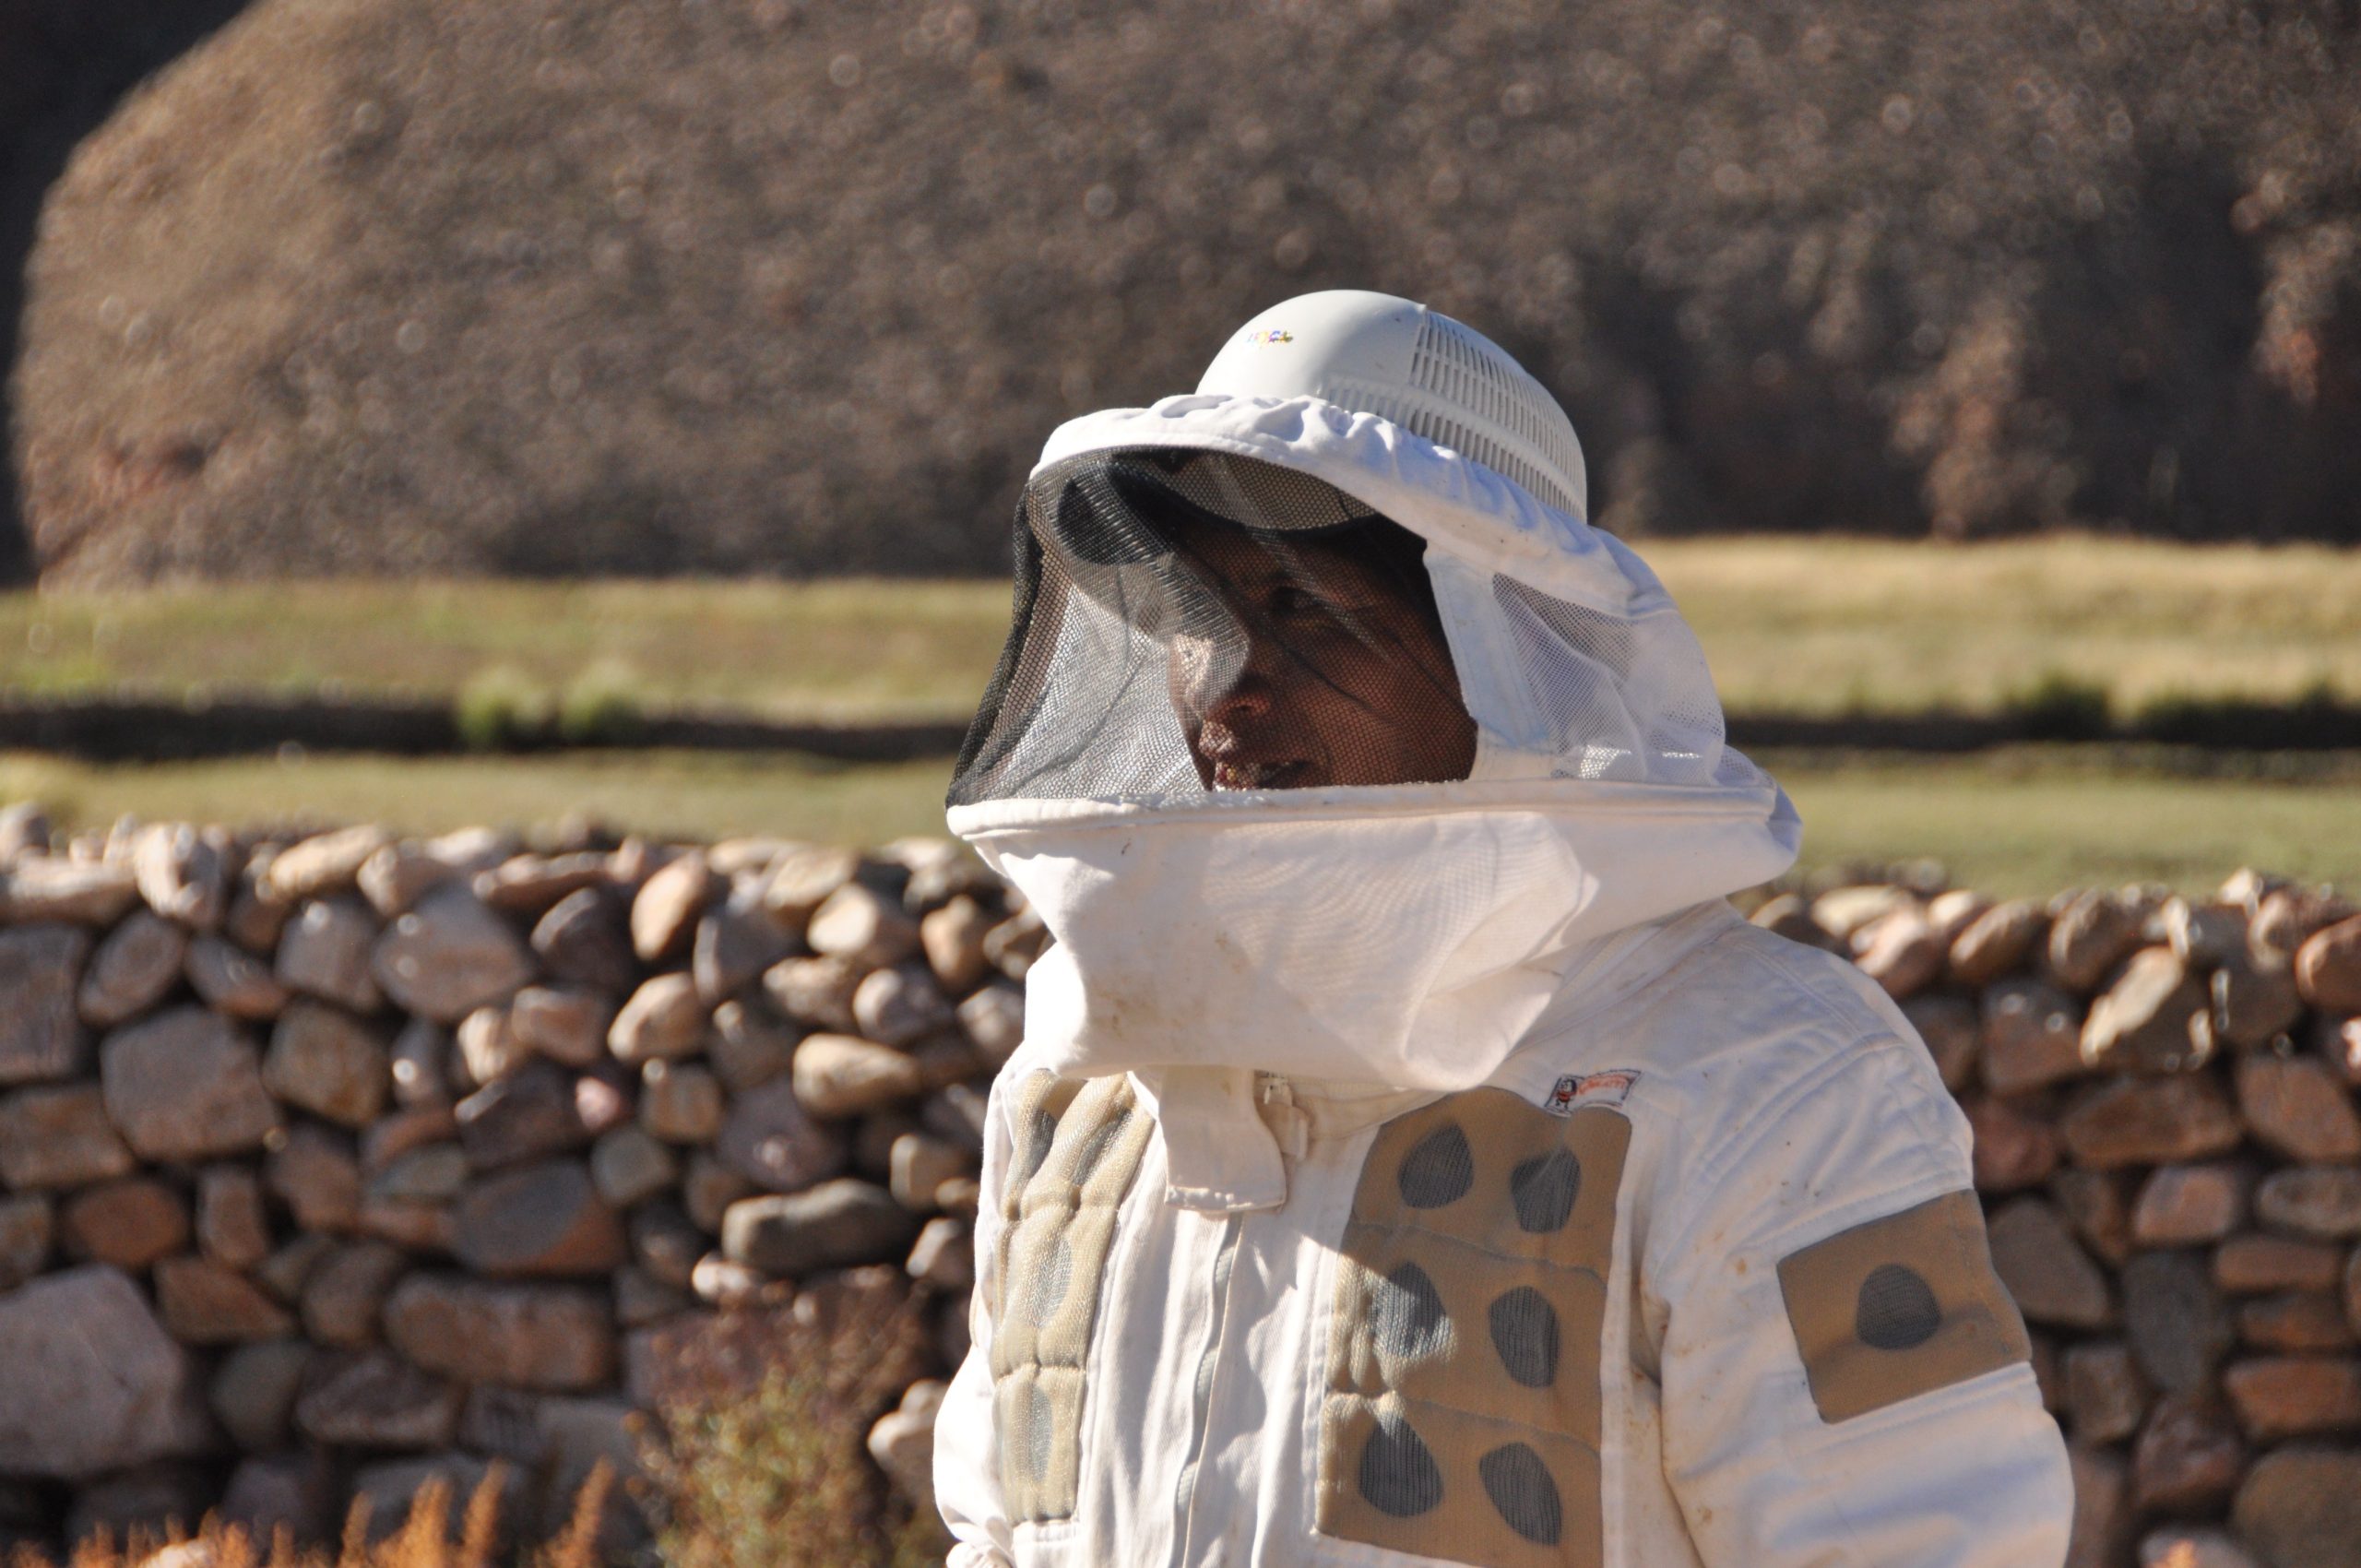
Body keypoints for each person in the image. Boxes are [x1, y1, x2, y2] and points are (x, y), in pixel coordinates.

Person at [931, 290, 2072, 1568]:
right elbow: (999, 1529)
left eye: (1307, 610)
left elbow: (1920, 1541)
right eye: (1205, 614)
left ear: (1507, 655)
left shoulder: (1766, 1074)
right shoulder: (1084, 1077)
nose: (1228, 687)